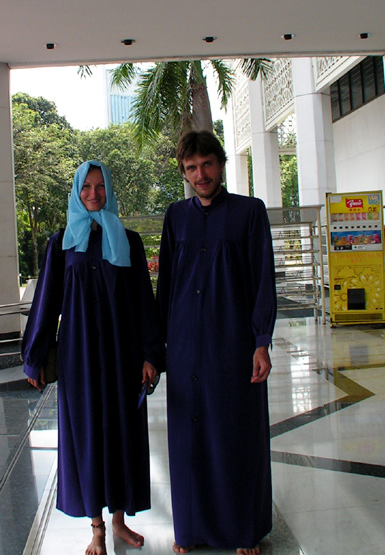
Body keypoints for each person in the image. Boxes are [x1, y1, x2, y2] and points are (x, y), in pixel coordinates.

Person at [21, 160, 164, 555]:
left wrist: (150, 353)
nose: (94, 194)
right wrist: (34, 357)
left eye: (101, 186)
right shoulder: (61, 242)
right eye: (87, 187)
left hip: (123, 354)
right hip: (79, 356)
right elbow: (46, 301)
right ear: (76, 191)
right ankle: (97, 526)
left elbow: (142, 301)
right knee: (86, 436)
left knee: (122, 433)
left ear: (110, 190)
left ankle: (119, 522)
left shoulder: (128, 240)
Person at [157, 131, 277, 555]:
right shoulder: (176, 216)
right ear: (184, 172)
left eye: (206, 164)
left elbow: (263, 280)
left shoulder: (249, 212)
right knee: (188, 439)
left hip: (233, 342)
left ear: (221, 164)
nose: (200, 175)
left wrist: (261, 340)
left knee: (234, 434)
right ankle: (189, 530)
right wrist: (158, 350)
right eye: (191, 168)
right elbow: (167, 284)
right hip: (186, 343)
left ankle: (243, 531)